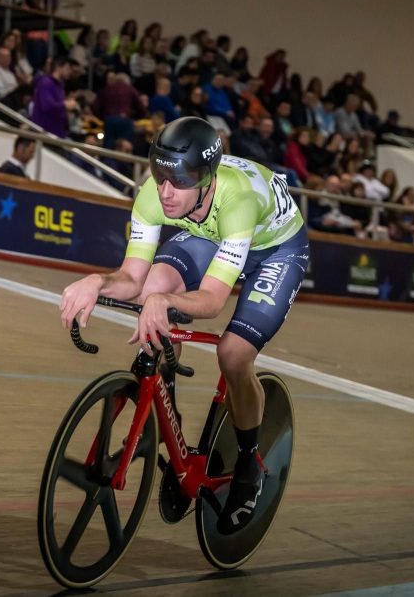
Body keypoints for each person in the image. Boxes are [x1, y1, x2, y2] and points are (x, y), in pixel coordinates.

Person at [59, 116, 308, 535]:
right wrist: (95, 281)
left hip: (275, 249)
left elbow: (211, 301)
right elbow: (132, 279)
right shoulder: (157, 195)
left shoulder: (237, 198)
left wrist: (164, 302)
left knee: (233, 353)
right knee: (152, 286)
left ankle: (249, 464)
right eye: (159, 175)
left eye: (179, 180)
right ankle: (159, 404)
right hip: (211, 231)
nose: (166, 191)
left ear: (208, 178)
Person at [30, 58, 75, 138]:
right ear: (58, 67)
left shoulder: (60, 85)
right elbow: (47, 106)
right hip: (46, 131)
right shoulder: (46, 83)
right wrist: (65, 104)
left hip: (56, 131)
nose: (69, 72)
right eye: (67, 68)